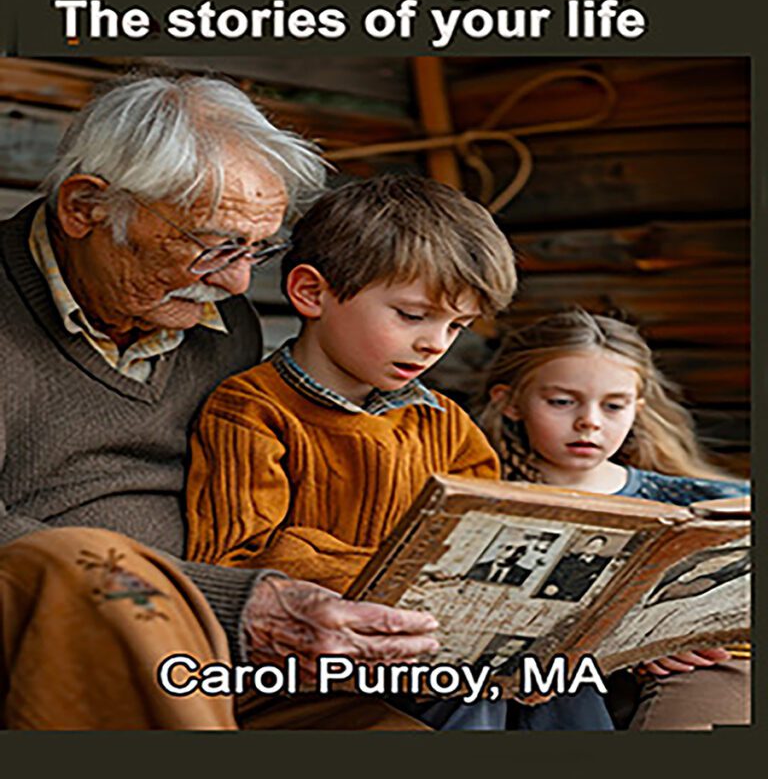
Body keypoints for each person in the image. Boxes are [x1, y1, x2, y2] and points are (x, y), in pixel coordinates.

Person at [0, 75, 443, 731]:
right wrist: (230, 607)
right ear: (85, 207)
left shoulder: (222, 325)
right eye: (215, 246)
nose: (237, 281)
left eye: (258, 249)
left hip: (209, 647)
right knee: (82, 561)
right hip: (55, 641)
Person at [185, 174, 519, 729]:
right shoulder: (251, 410)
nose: (435, 342)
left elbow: (488, 537)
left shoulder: (446, 425)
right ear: (312, 293)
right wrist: (402, 583)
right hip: (305, 661)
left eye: (456, 326)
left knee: (558, 678)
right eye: (412, 315)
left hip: (428, 641)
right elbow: (237, 559)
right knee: (468, 688)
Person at [479, 307, 750, 730]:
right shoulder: (480, 496)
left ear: (636, 408)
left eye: (614, 405)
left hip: (670, 682)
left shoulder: (693, 501)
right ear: (510, 402)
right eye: (562, 402)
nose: (589, 420)